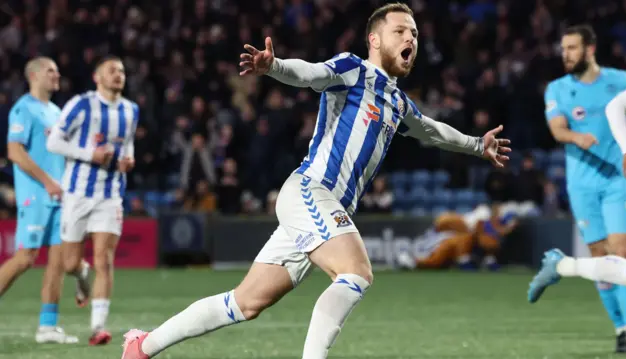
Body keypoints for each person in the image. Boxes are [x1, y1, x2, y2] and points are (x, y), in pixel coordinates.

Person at [120, 3, 510, 359]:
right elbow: (312, 74)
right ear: (374, 39)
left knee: (245, 303)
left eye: (415, 34)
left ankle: (142, 346)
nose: (411, 38)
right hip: (311, 191)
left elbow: (431, 131)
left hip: (321, 208)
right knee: (356, 271)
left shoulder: (398, 102)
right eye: (401, 31)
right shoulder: (354, 69)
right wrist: (274, 67)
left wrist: (478, 145)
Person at [526, 24, 626, 352]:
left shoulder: (621, 82)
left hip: (619, 180)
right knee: (600, 256)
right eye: (563, 49)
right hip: (583, 184)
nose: (566, 54)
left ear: (590, 49)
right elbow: (557, 129)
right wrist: (578, 137)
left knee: (624, 254)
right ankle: (621, 327)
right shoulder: (558, 89)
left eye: (572, 48)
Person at [46, 55, 138, 346]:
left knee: (104, 259)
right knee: (71, 262)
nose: (118, 74)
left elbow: (128, 142)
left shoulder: (131, 109)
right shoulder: (81, 104)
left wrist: (128, 159)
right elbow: (54, 142)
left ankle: (98, 327)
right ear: (97, 77)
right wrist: (90, 154)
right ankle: (81, 277)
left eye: (122, 70)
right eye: (112, 70)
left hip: (110, 194)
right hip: (77, 193)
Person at [0, 57, 85, 343]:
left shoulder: (56, 111)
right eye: (51, 70)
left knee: (58, 260)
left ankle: (47, 327)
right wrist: (48, 181)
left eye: (57, 70)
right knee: (25, 258)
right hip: (36, 195)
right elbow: (15, 151)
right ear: (34, 75)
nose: (57, 74)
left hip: (60, 197)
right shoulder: (23, 109)